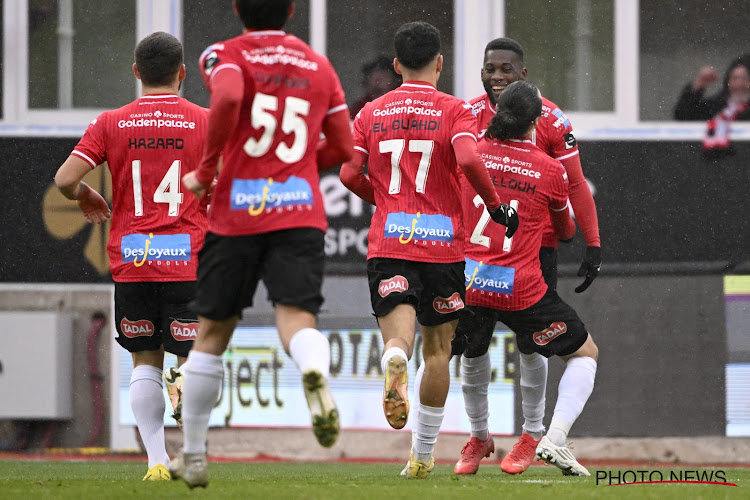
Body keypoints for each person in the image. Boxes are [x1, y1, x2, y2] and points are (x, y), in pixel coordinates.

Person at [170, 0, 354, 489]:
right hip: (298, 211)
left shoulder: (225, 52)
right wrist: (295, 166)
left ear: (236, 7)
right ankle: (314, 372)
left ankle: (192, 456)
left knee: (211, 336)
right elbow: (343, 146)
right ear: (292, 10)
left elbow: (228, 97)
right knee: (297, 318)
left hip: (235, 215)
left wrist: (207, 170)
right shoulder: (318, 64)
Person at [340, 21, 518, 480]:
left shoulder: (370, 113)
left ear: (396, 65)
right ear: (441, 63)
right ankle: (421, 455)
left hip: (391, 241)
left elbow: (347, 173)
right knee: (438, 352)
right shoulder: (457, 111)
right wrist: (494, 206)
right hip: (441, 248)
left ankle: (392, 358)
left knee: (399, 338)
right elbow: (466, 158)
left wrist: (381, 199)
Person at [54, 32, 208, 481]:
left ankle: (156, 462)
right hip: (184, 257)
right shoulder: (204, 121)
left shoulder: (111, 122)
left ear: (137, 72)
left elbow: (64, 178)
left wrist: (83, 193)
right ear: (182, 73)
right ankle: (191, 443)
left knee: (144, 358)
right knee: (193, 354)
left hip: (132, 259)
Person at [463, 79, 597, 476]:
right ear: (537, 118)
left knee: (455, 354)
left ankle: (436, 449)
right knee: (583, 354)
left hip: (472, 282)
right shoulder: (550, 168)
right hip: (522, 289)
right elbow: (565, 230)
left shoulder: (473, 153)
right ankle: (551, 438)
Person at [674, 55, 750, 159]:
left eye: (745, 78)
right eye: (734, 78)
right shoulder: (716, 106)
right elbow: (682, 116)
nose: (739, 84)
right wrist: (699, 84)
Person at [349, 55, 401, 119]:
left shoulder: (401, 105)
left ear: (395, 80)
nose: (377, 82)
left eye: (383, 77)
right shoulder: (360, 107)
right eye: (373, 78)